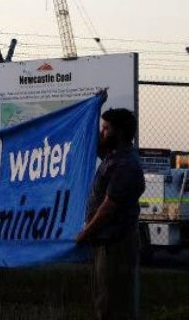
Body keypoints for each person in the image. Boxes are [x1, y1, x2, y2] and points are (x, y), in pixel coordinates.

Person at [76, 108, 145, 320]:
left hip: (116, 245)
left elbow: (109, 207)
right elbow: (95, 144)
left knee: (113, 304)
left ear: (121, 133)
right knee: (103, 302)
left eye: (106, 129)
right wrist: (94, 109)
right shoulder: (112, 156)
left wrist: (85, 232)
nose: (102, 132)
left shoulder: (126, 165)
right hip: (106, 243)